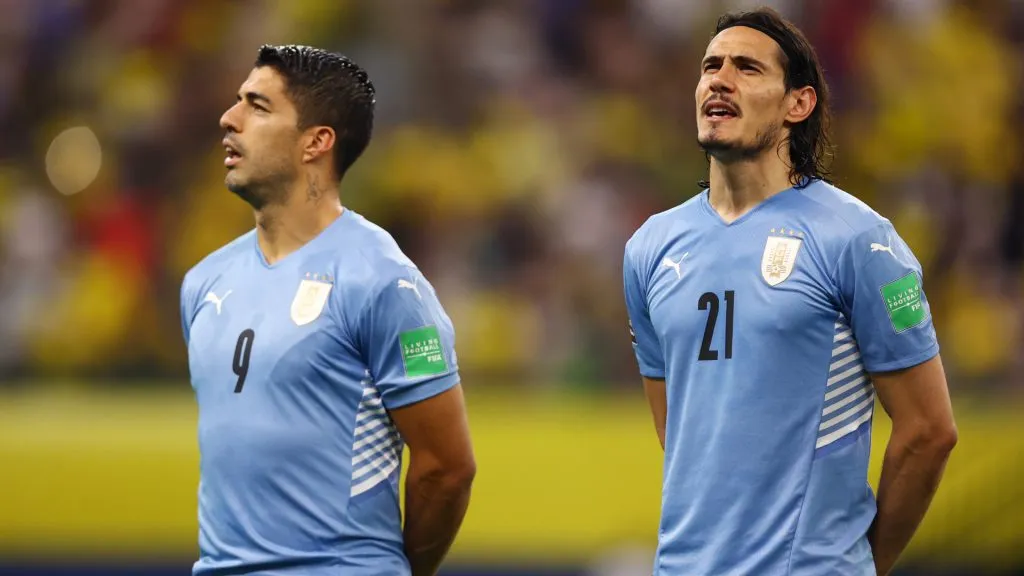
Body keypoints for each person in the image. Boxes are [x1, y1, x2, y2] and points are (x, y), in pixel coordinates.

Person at [622, 8, 957, 576]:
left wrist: (855, 563)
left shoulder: (858, 240)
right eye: (710, 66)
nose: (719, 80)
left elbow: (929, 431)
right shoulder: (649, 248)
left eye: (747, 68)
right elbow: (678, 431)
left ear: (797, 104)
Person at [179, 44, 476, 576]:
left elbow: (447, 469)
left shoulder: (383, 282)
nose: (229, 118)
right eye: (236, 102)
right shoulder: (203, 284)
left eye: (258, 106)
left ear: (316, 142)